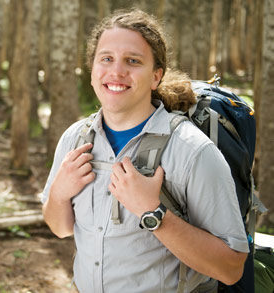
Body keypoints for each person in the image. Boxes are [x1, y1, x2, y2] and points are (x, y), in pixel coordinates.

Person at [41, 9, 249, 293]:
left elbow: (231, 269)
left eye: (133, 61)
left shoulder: (192, 151)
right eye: (106, 59)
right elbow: (60, 228)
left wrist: (152, 212)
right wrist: (59, 193)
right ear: (92, 71)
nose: (116, 71)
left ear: (155, 77)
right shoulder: (74, 139)